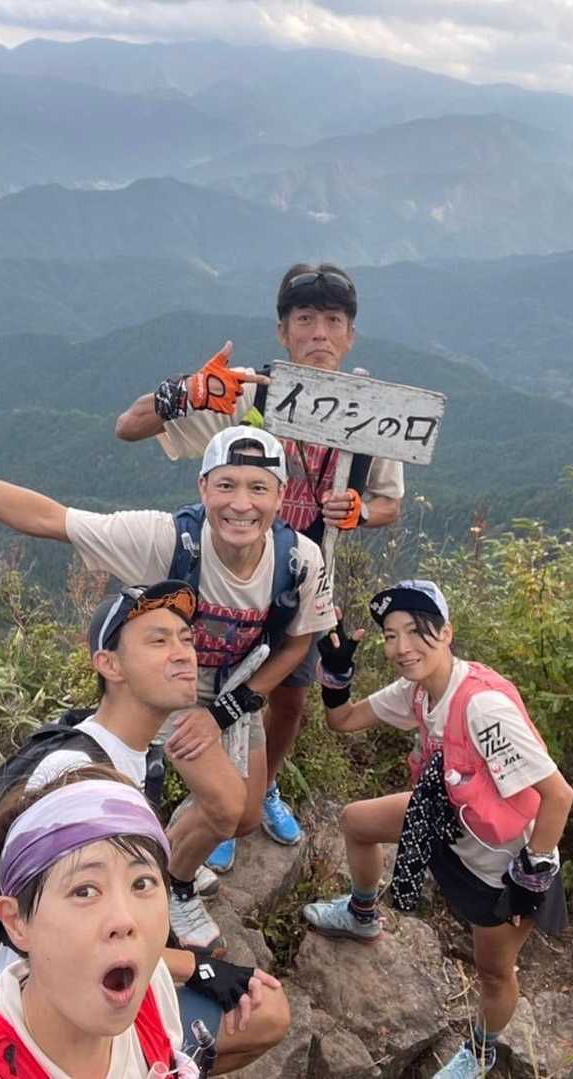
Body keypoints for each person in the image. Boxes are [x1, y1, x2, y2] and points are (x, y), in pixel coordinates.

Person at [0, 407, 332, 953]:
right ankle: (172, 883)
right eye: (227, 486)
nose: (241, 504)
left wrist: (227, 710)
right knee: (224, 807)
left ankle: (173, 852)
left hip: (236, 690)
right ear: (203, 488)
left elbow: (297, 643)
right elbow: (47, 518)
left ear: (281, 496)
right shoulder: (167, 540)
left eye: (258, 488)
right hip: (167, 684)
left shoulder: (299, 559)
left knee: (243, 817)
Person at [115, 262, 404, 859]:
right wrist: (185, 392)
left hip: (301, 584)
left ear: (351, 335)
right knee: (197, 689)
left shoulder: (370, 413)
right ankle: (212, 809)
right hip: (219, 581)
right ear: (282, 331)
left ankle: (260, 787)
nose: (319, 333)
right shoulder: (249, 393)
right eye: (306, 320)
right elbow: (129, 427)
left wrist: (359, 512)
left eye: (333, 321)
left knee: (289, 699)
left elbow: (390, 504)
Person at [0, 582, 289, 1073]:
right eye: (158, 641)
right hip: (63, 998)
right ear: (109, 665)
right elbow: (82, 929)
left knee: (268, 1009)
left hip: (112, 975)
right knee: (265, 1015)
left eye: (186, 640)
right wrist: (199, 968)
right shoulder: (76, 770)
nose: (183, 654)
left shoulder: (136, 756)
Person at [300, 580, 573, 1079]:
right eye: (390, 635)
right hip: (445, 818)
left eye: (416, 631)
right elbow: (343, 720)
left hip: (499, 864)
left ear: (446, 633)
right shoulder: (418, 692)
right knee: (356, 822)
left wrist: (529, 881)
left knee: (493, 973)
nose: (401, 647)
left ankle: (480, 1053)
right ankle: (362, 914)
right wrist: (336, 676)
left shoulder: (481, 708)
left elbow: (558, 796)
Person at [0, 767, 192, 1077]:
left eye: (142, 883)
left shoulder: (151, 988)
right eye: (84, 891)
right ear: (16, 921)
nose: (124, 920)